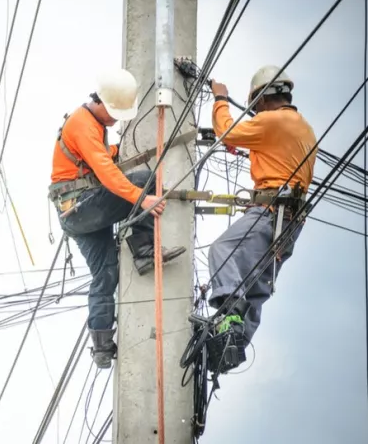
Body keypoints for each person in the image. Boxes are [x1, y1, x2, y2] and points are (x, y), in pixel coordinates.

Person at [48, 68, 187, 369]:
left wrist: (114, 151)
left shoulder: (91, 125)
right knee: (143, 178)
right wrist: (142, 197)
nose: (115, 119)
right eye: (113, 112)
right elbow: (108, 174)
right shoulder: (83, 124)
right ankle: (143, 250)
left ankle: (100, 345)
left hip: (76, 214)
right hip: (82, 207)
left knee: (106, 274)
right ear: (99, 102)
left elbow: (98, 157)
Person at [207, 66, 316, 354]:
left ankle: (229, 315)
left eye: (256, 107)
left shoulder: (272, 121)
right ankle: (234, 348)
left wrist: (221, 99)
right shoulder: (303, 127)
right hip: (292, 222)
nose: (256, 113)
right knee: (257, 282)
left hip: (270, 211)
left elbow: (227, 132)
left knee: (223, 251)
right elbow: (276, 155)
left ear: (265, 97)